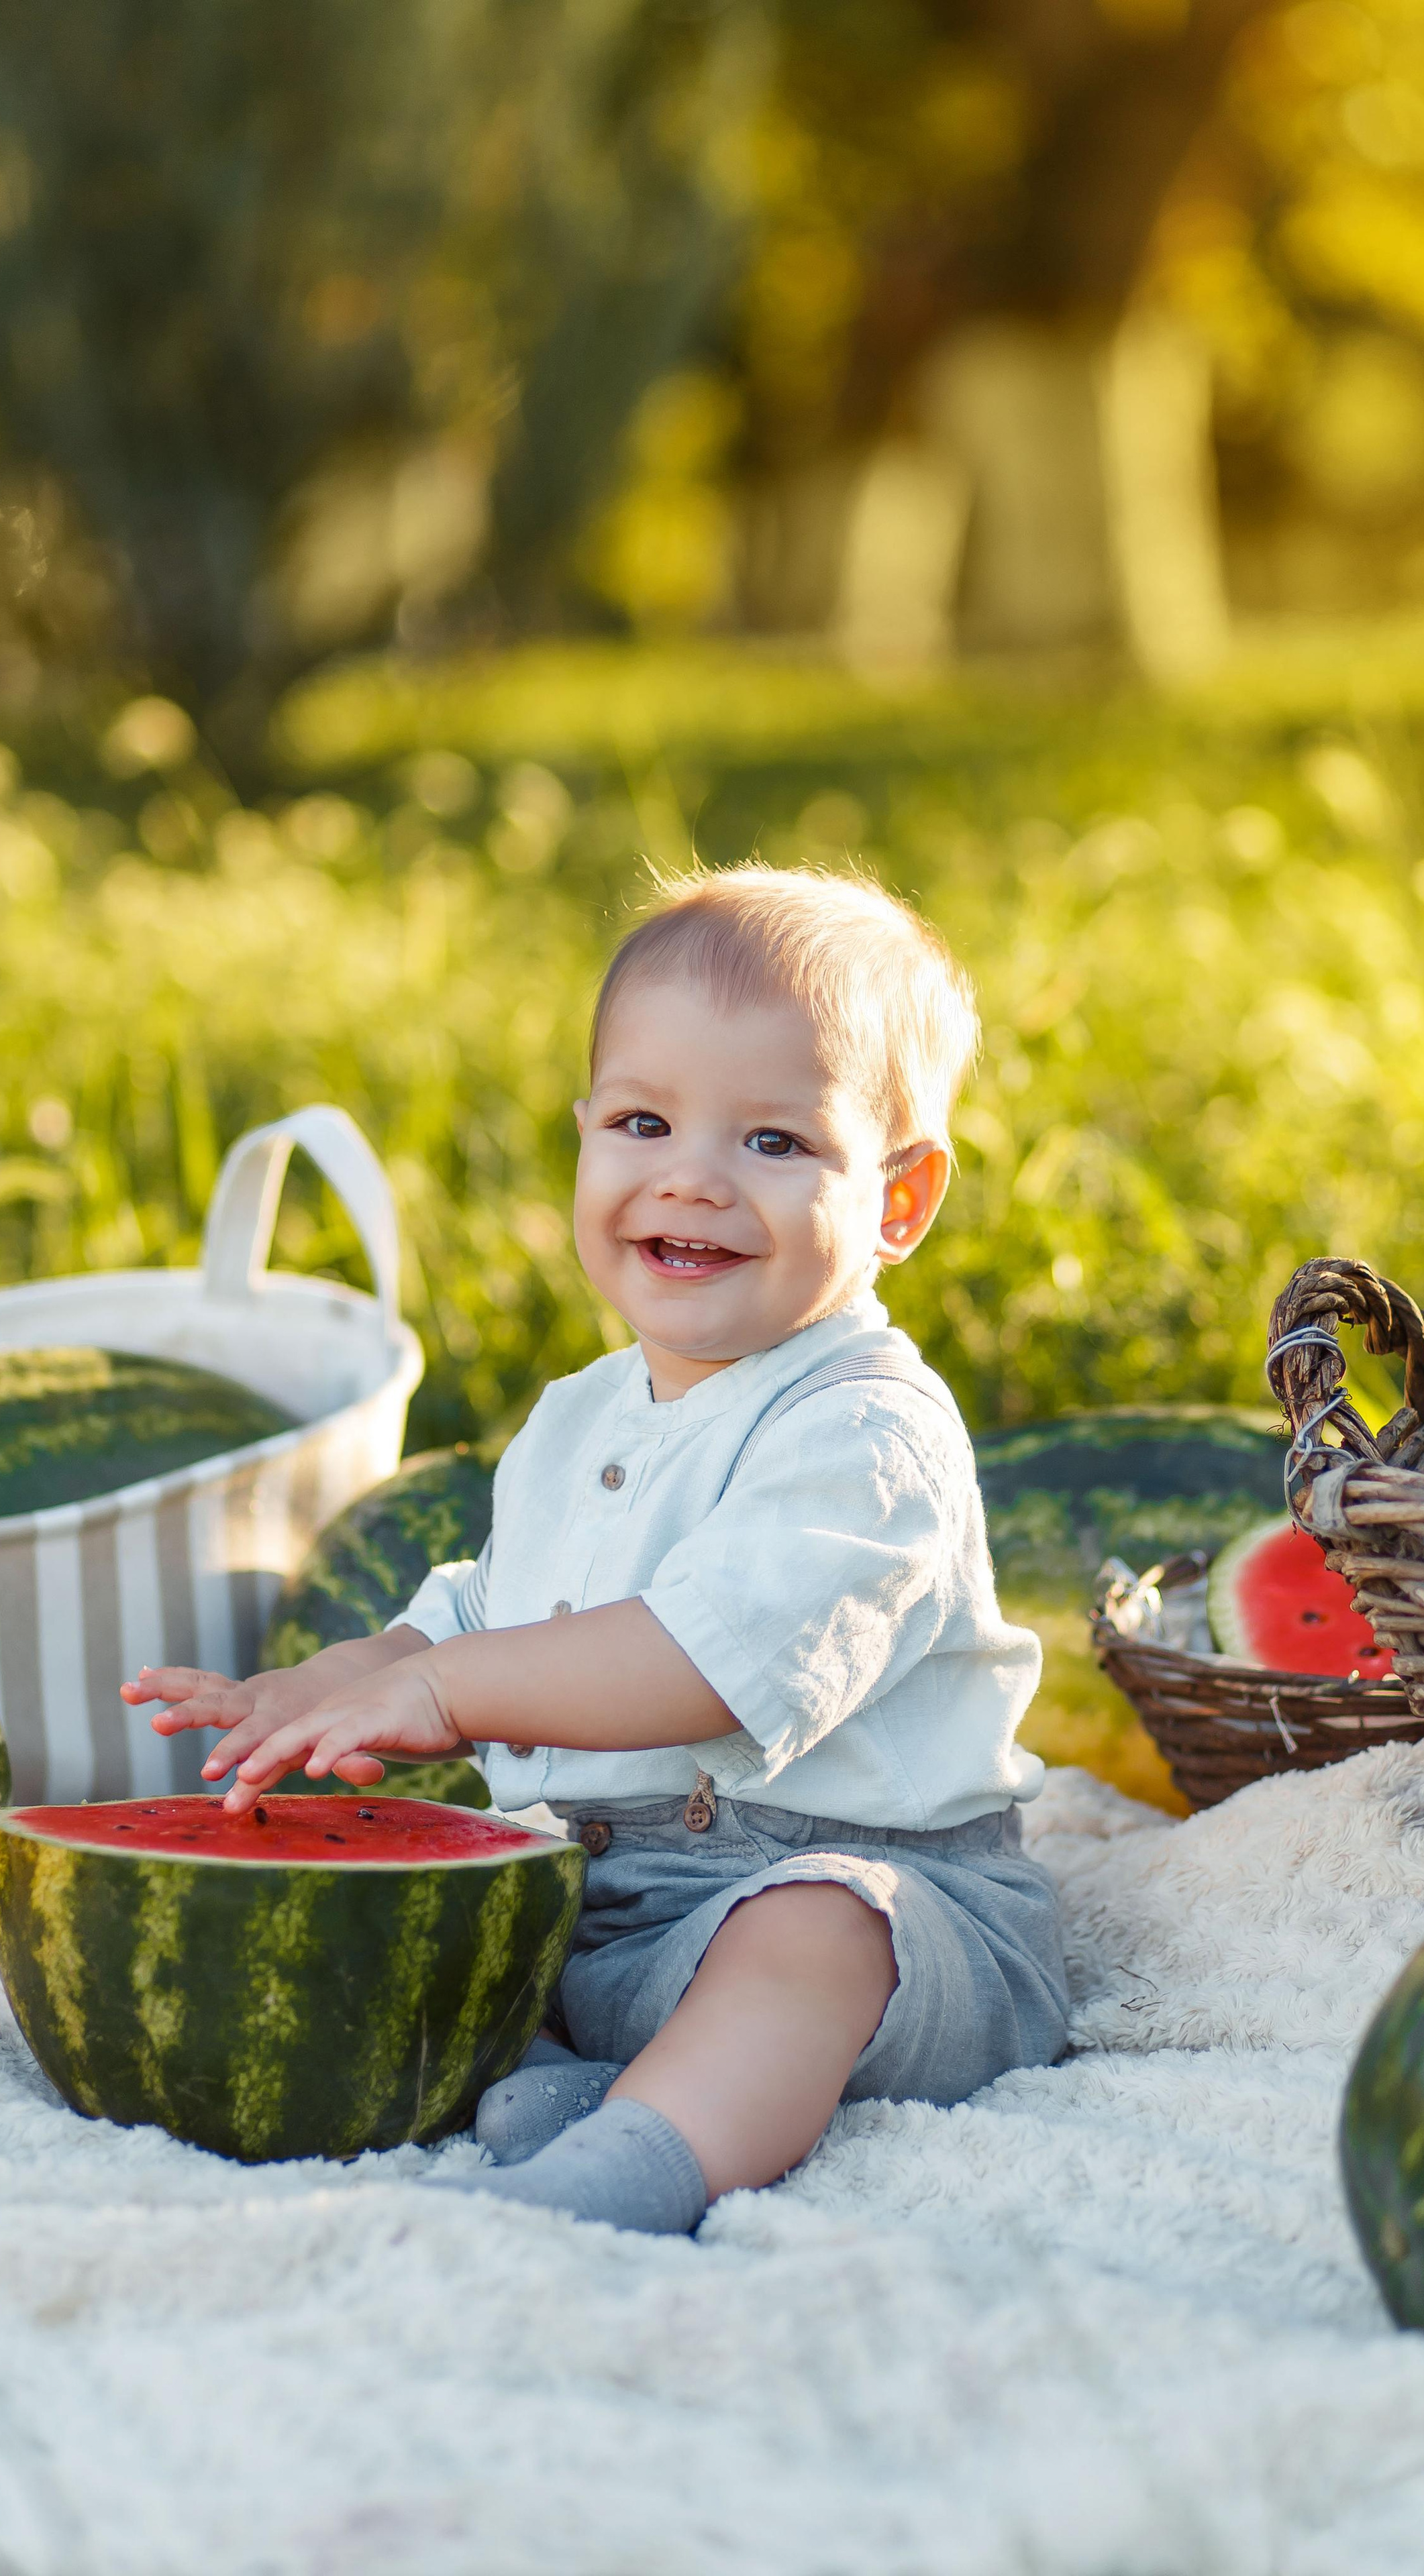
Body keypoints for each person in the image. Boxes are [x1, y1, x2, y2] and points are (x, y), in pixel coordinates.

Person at [123, 864, 1068, 2236]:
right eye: (643, 1122)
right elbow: (487, 1608)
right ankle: (610, 2080)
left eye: (773, 1144)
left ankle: (641, 2162)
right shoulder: (576, 1414)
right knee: (468, 1909)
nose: (690, 1176)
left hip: (894, 1912)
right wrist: (344, 1679)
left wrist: (444, 1697)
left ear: (899, 1200)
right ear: (583, 1141)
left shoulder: (866, 1434)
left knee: (807, 1931)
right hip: (612, 1899)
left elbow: (696, 1664)